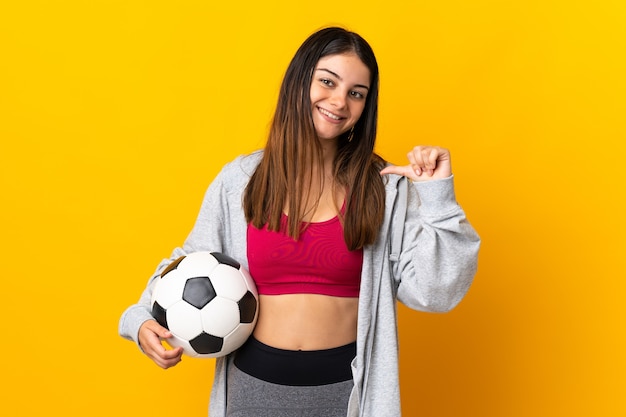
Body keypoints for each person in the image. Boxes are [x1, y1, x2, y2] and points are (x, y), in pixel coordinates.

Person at [119, 26, 480, 417]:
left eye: (356, 93)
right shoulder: (241, 179)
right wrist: (138, 319)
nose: (339, 101)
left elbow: (435, 292)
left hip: (347, 395)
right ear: (299, 82)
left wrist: (438, 197)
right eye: (328, 81)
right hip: (253, 391)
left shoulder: (384, 187)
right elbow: (190, 261)